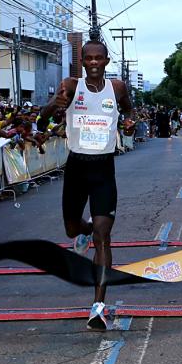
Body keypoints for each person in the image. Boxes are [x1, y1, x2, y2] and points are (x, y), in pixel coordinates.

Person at [38, 40, 132, 331]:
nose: (93, 62)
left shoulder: (117, 88)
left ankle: (98, 308)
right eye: (88, 58)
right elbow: (41, 121)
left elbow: (129, 111)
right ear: (81, 61)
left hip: (104, 168)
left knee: (104, 237)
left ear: (106, 61)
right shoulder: (70, 85)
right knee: (71, 229)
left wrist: (129, 122)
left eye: (98, 58)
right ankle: (85, 230)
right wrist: (54, 105)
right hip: (76, 167)